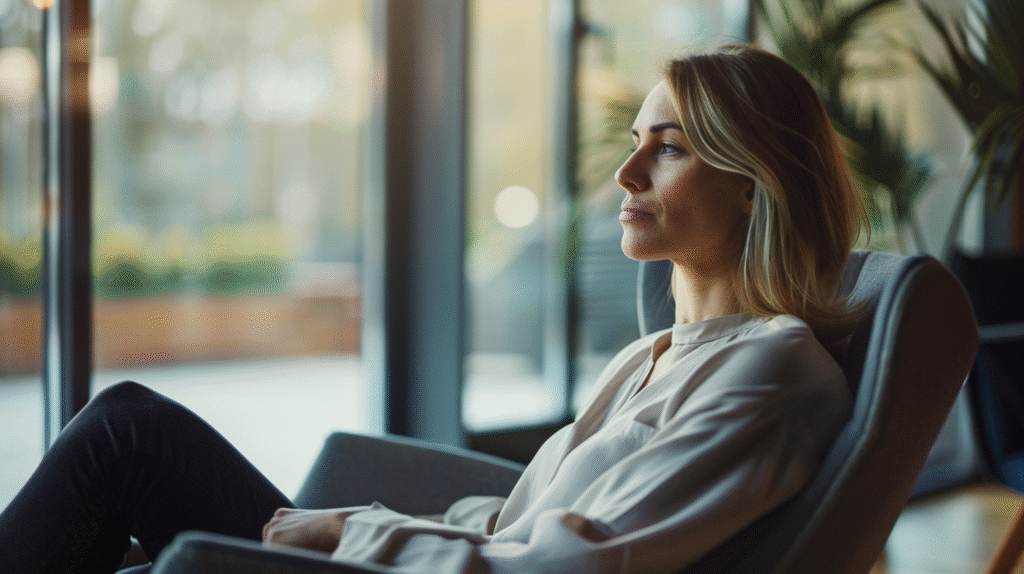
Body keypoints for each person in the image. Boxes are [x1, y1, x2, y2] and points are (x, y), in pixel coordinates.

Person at [0, 43, 866, 574]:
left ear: (754, 185)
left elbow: (573, 565)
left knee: (128, 435)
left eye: (668, 149)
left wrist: (351, 536)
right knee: (124, 443)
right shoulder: (661, 355)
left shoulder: (771, 373)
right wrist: (366, 523)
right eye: (634, 143)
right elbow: (524, 523)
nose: (626, 173)